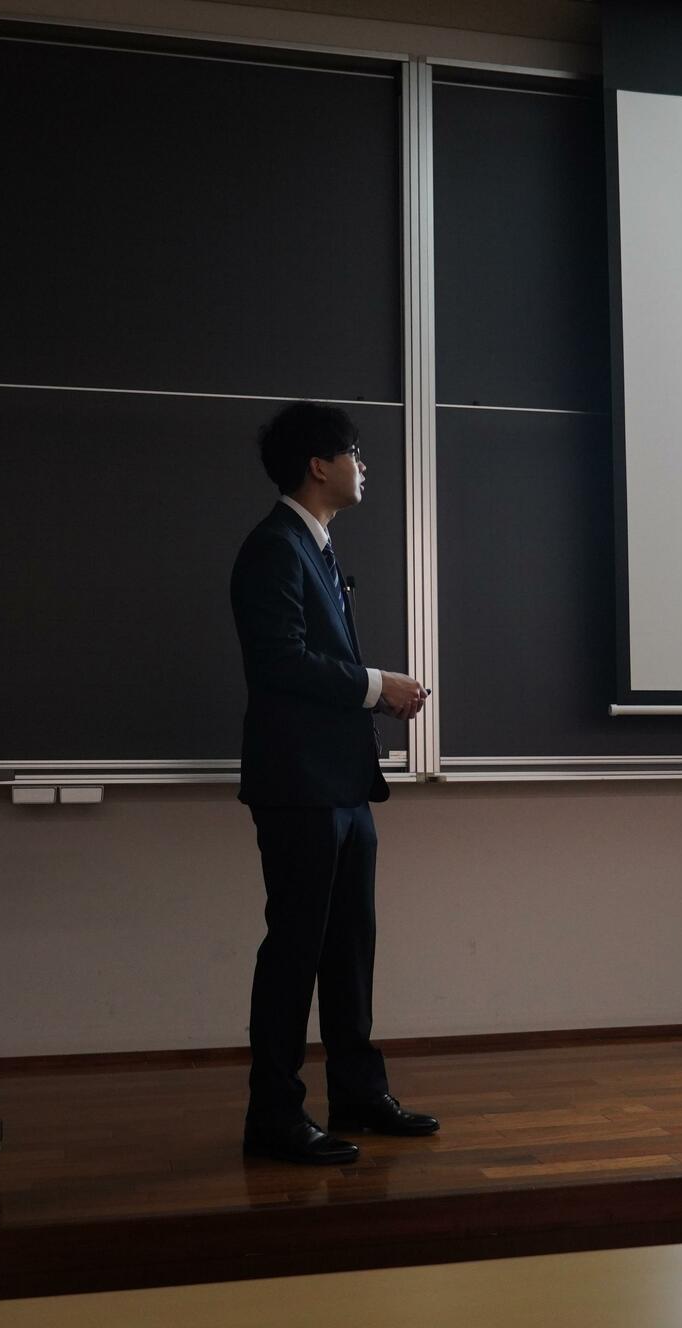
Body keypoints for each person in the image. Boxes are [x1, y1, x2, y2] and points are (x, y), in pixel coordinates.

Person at [229, 400, 440, 1165]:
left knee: (349, 948)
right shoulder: (274, 548)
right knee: (296, 951)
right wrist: (377, 685)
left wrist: (373, 693)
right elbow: (279, 662)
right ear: (319, 465)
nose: (364, 466)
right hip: (299, 787)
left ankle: (357, 1093)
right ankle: (274, 1115)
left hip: (343, 785)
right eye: (354, 452)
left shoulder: (314, 547)